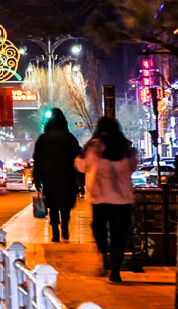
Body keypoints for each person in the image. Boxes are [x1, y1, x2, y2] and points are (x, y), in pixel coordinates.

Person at [76, 116, 138, 282]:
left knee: (99, 227)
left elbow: (81, 166)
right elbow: (133, 166)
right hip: (122, 198)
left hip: (100, 197)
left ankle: (104, 253)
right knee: (119, 233)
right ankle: (116, 267)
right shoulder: (125, 147)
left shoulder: (94, 147)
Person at [32, 108, 83, 242]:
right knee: (66, 202)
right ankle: (65, 221)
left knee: (52, 204)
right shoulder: (70, 138)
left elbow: (37, 160)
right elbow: (78, 157)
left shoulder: (43, 139)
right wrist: (80, 179)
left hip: (49, 177)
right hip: (67, 176)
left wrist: (37, 178)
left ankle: (55, 230)